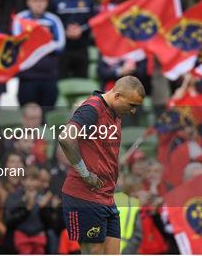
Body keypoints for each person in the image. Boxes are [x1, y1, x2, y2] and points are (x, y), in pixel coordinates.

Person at [59, 76, 145, 254]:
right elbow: (66, 137)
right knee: (94, 252)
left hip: (106, 196)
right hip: (84, 196)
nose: (133, 112)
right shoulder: (92, 108)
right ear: (118, 96)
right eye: (132, 105)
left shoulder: (114, 113)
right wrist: (86, 173)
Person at [12, 0, 65, 109]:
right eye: (35, 0)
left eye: (42, 0)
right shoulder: (20, 18)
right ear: (28, 2)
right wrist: (46, 42)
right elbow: (18, 43)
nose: (38, 3)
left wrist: (35, 42)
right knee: (28, 115)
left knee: (48, 114)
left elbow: (60, 45)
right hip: (27, 76)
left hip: (49, 76)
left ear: (46, 2)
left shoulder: (53, 20)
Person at [50, 0, 96, 79]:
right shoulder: (55, 0)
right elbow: (51, 23)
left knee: (83, 84)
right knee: (61, 83)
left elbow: (93, 22)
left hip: (82, 48)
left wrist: (82, 30)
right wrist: (64, 32)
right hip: (62, 50)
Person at [4, 166, 60, 254]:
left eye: (34, 180)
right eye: (27, 179)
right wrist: (26, 209)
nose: (30, 184)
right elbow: (9, 219)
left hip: (39, 237)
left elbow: (51, 223)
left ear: (38, 181)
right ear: (22, 181)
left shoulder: (43, 197)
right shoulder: (16, 196)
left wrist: (44, 209)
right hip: (21, 237)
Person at [0, 152, 24, 254]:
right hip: (4, 236)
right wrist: (1, 231)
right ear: (5, 165)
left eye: (20, 162)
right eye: (12, 162)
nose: (17, 164)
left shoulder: (28, 186)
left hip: (25, 235)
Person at [114, 174, 143, 254]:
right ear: (134, 191)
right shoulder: (135, 204)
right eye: (141, 189)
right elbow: (137, 235)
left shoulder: (111, 199)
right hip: (126, 249)